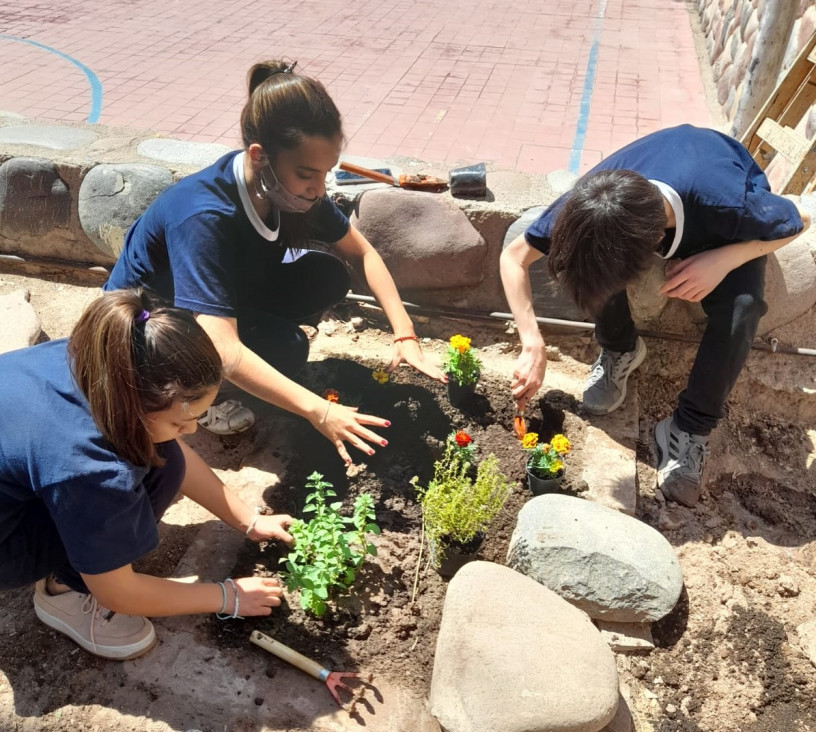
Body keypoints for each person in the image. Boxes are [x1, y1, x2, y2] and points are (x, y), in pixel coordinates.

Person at [104, 59, 444, 464]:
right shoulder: (203, 215)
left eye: (327, 172)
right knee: (285, 350)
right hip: (148, 335)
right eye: (308, 174)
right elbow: (226, 350)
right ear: (260, 156)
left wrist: (405, 335)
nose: (319, 188)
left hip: (204, 302)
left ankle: (241, 358)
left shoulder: (292, 188)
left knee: (326, 275)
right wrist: (320, 411)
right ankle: (193, 400)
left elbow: (364, 252)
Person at [500, 124, 810, 507]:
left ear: (653, 249)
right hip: (665, 166)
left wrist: (724, 259)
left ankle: (688, 428)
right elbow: (513, 257)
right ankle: (620, 350)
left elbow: (799, 220)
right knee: (595, 266)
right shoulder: (593, 202)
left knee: (741, 308)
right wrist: (531, 341)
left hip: (719, 202)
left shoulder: (728, 206)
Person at [0, 290, 294, 660]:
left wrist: (249, 520)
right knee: (147, 467)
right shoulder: (89, 468)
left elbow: (172, 449)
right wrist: (228, 596)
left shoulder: (102, 352)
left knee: (163, 453)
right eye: (184, 420)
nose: (193, 431)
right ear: (138, 404)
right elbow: (118, 593)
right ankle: (64, 592)